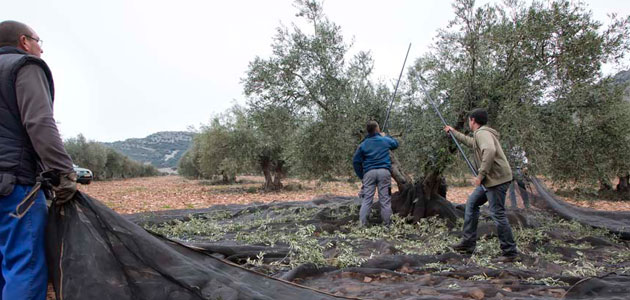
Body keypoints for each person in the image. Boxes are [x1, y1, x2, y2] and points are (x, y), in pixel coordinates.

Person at [0, 21, 77, 299]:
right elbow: (39, 122)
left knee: (4, 267)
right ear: (24, 41)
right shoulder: (24, 66)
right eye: (38, 41)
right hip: (14, 187)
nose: (41, 49)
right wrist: (62, 171)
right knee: (25, 266)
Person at [443, 108, 518, 262]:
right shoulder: (481, 134)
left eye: (469, 120)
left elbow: (489, 150)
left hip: (496, 180)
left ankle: (510, 252)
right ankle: (468, 243)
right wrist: (454, 132)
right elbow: (472, 143)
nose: (469, 123)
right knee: (471, 204)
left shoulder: (482, 133)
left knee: (497, 213)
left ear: (473, 120)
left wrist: (481, 174)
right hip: (492, 180)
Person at [352, 120, 399, 227]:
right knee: (385, 200)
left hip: (369, 173)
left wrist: (362, 176)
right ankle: (388, 225)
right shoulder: (384, 140)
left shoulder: (363, 144)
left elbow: (356, 162)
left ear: (368, 131)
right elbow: (396, 144)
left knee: (367, 200)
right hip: (384, 172)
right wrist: (385, 135)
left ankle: (362, 225)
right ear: (377, 129)